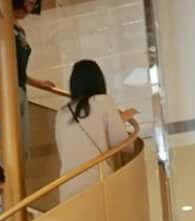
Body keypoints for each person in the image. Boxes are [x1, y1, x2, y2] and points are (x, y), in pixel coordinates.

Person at [0, 0, 54, 145]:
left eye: (33, 4)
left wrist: (38, 83)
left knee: (20, 145)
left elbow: (17, 69)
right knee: (7, 142)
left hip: (17, 89)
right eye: (27, 2)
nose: (29, 9)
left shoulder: (19, 29)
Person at [54, 59, 138, 203]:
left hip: (67, 189)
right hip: (97, 182)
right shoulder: (104, 102)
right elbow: (125, 146)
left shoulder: (61, 114)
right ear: (99, 80)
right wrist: (121, 120)